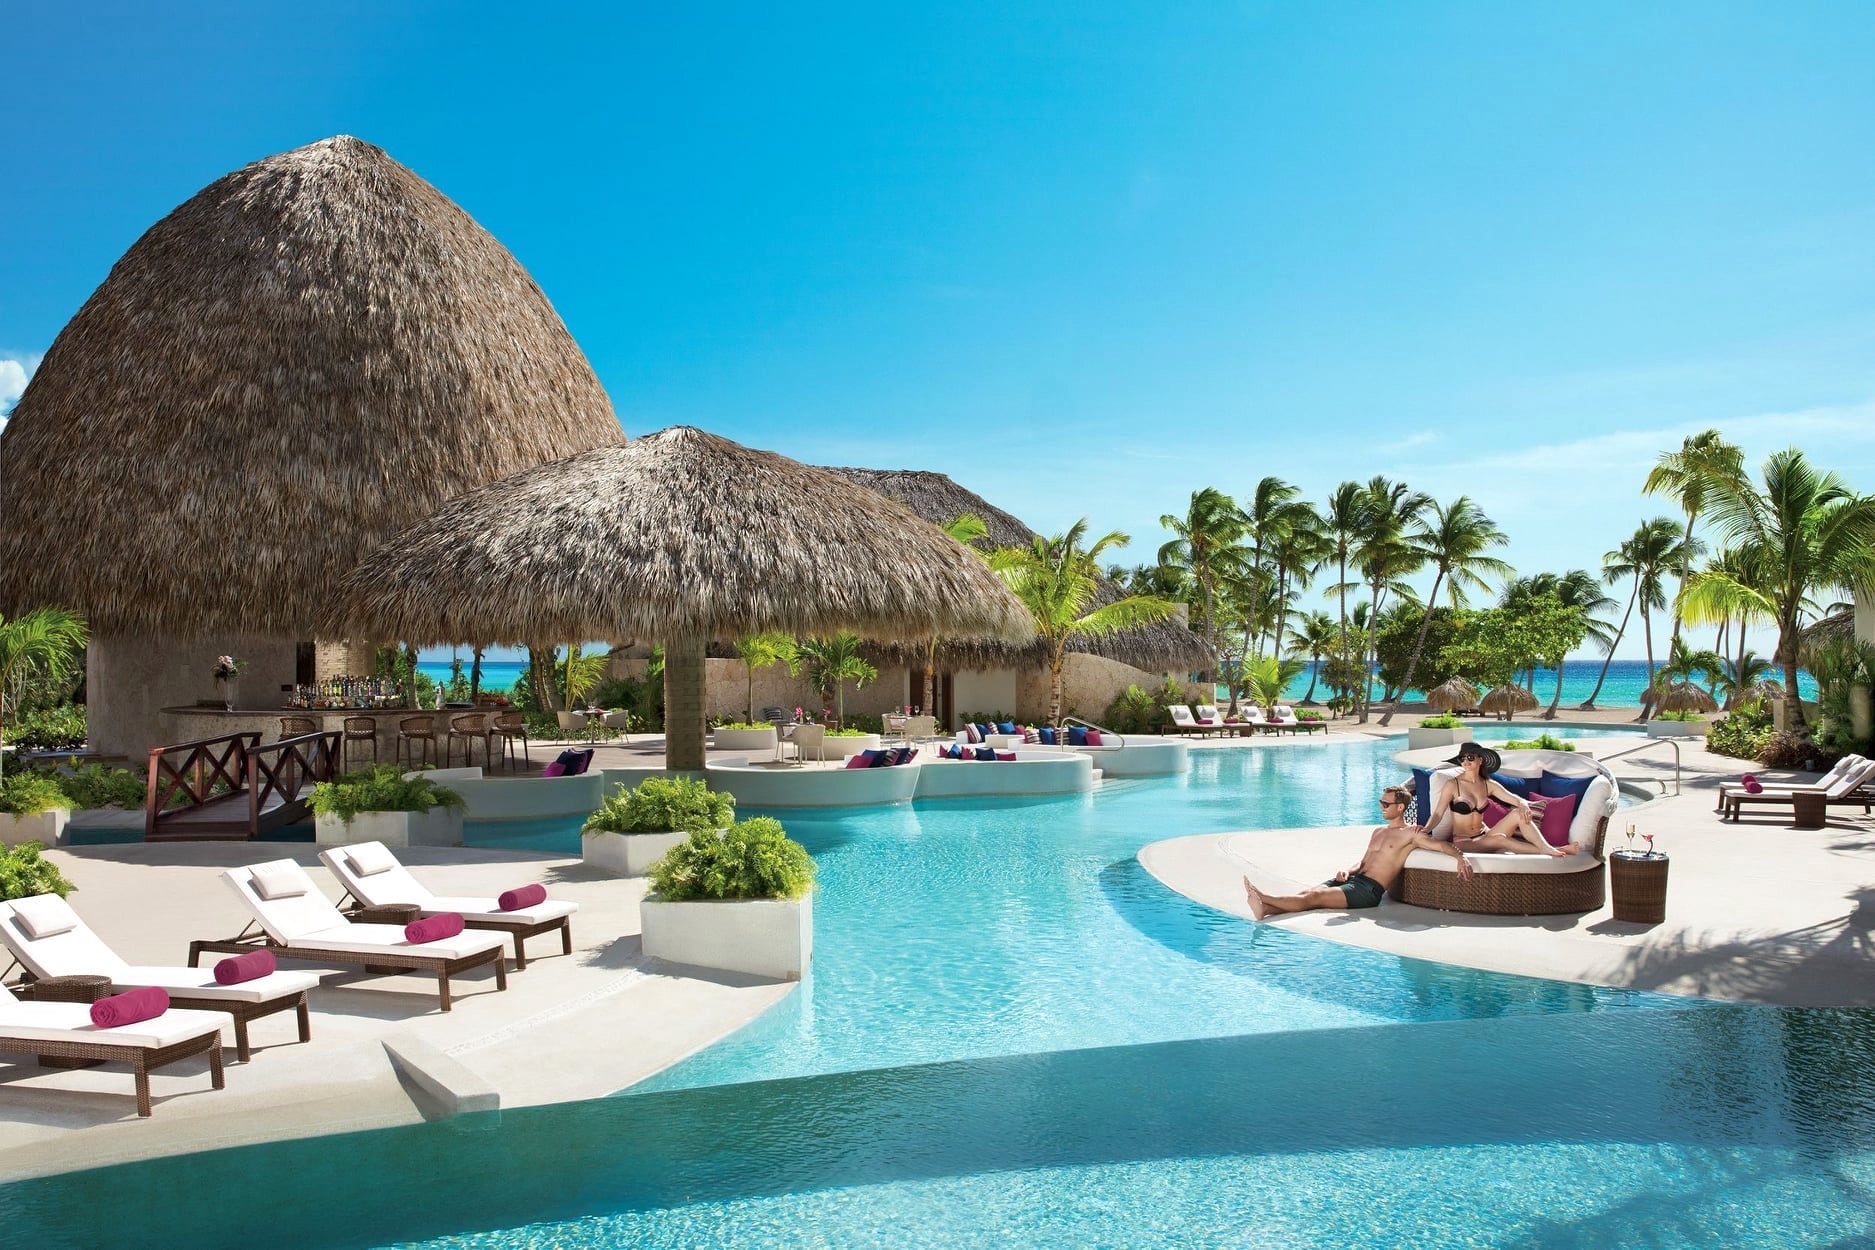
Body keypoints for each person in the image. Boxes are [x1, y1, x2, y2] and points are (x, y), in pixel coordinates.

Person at [1242, 784, 1473, 920]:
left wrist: (1460, 857)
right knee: (1310, 892)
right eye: (1381, 802)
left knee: (1315, 898)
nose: (1381, 807)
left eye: (1386, 804)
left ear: (1400, 807)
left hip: (1368, 891)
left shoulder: (1411, 834)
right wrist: (1346, 870)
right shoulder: (1378, 831)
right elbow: (1363, 862)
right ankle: (1265, 909)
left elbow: (1442, 846)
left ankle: (1264, 897)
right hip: (1354, 878)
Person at [1424, 742, 1580, 857]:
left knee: (1519, 813)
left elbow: (1515, 799)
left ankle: (1547, 848)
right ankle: (1553, 849)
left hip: (1486, 835)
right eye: (1462, 758)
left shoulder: (1488, 785)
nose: (1465, 761)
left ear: (1480, 760)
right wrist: (1426, 829)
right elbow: (1438, 813)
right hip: (1465, 841)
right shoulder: (1453, 785)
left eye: (1470, 757)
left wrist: (1524, 804)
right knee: (1502, 840)